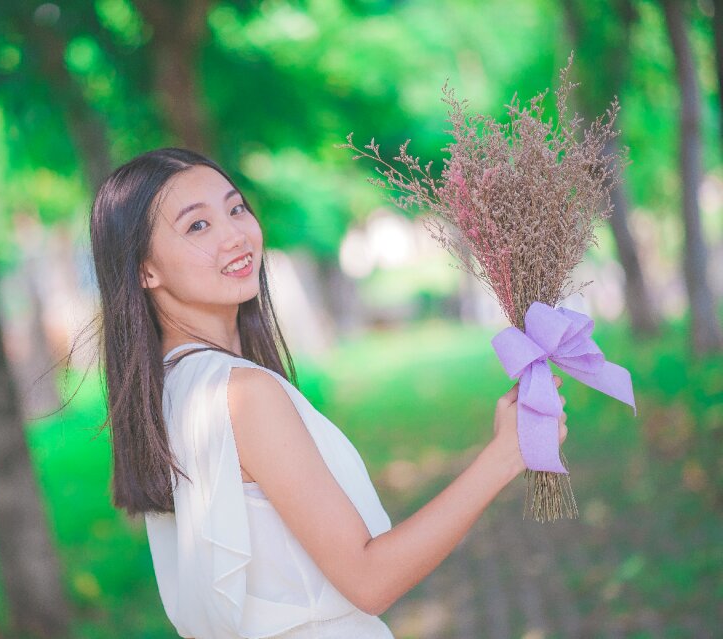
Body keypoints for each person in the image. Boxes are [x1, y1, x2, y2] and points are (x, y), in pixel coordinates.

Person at [87, 148, 567, 639]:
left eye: (235, 209)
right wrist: (506, 456)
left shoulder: (172, 393)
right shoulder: (243, 394)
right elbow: (369, 580)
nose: (235, 235)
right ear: (145, 270)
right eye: (196, 226)